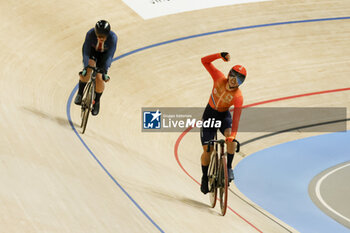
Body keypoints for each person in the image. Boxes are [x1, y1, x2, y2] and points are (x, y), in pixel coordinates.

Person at [199, 52, 246, 194]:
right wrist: (219, 55)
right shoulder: (219, 78)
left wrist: (232, 135)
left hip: (223, 116)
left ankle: (229, 168)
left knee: (230, 139)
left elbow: (236, 118)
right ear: (229, 74)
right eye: (233, 75)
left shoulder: (238, 97)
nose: (234, 80)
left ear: (241, 82)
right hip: (209, 115)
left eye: (239, 78)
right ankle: (204, 178)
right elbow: (204, 61)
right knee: (208, 150)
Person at [74, 20, 118, 116]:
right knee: (88, 70)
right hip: (92, 52)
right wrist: (86, 67)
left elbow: (110, 56)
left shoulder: (113, 38)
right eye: (99, 36)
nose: (101, 38)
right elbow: (86, 51)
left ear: (107, 35)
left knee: (99, 77)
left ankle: (97, 101)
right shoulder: (90, 34)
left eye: (103, 37)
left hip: (104, 56)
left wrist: (104, 71)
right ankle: (80, 93)